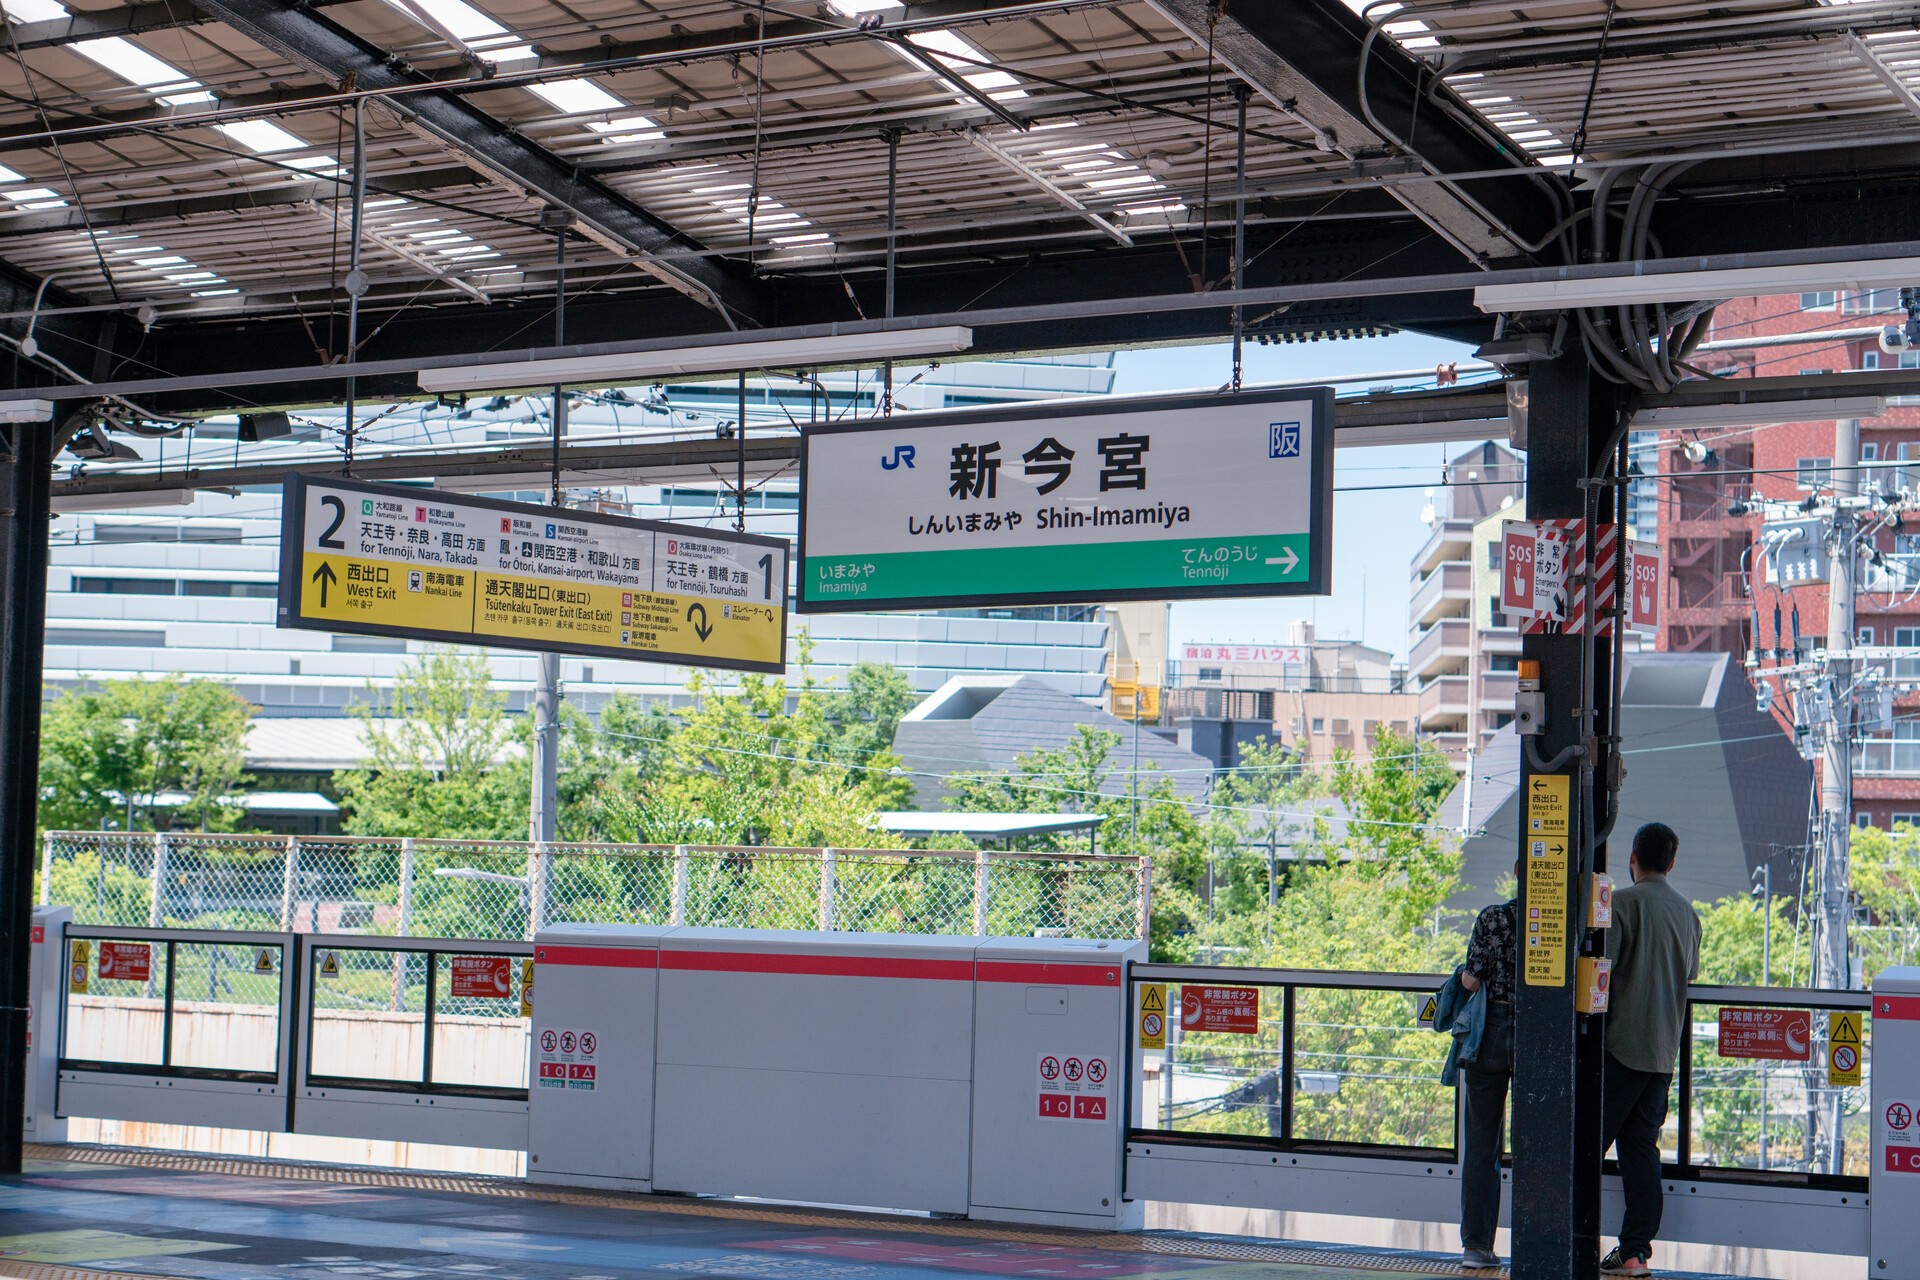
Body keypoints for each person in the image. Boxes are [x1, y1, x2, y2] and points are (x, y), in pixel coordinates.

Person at [1599, 822, 1702, 1279]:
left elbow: (1604, 970)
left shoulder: (1621, 903)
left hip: (1620, 1046)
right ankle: (1635, 1252)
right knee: (1641, 1151)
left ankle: (1570, 1236)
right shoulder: (1688, 914)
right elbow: (1690, 974)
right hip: (1663, 1053)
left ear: (1633, 857)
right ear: (1672, 862)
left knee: (1586, 1144)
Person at [1456, 859, 1519, 1271]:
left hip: (1491, 1035)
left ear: (1517, 872)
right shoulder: (1563, 924)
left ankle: (1477, 1247)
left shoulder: (1494, 918)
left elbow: (1472, 980)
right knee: (1536, 1145)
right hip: (1543, 1035)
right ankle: (1538, 1241)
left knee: (1482, 1144)